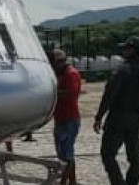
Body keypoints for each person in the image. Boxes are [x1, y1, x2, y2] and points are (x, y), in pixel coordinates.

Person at [93, 36, 139, 185]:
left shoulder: (123, 69)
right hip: (138, 118)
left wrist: (99, 116)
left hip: (118, 117)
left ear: (133, 50)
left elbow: (109, 94)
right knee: (134, 157)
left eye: (126, 48)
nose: (123, 51)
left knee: (107, 154)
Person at [51, 49, 81, 185]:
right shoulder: (61, 74)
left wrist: (54, 92)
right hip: (61, 118)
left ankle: (65, 182)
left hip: (69, 119)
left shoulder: (71, 74)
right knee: (64, 154)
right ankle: (71, 182)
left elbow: (71, 95)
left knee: (66, 154)